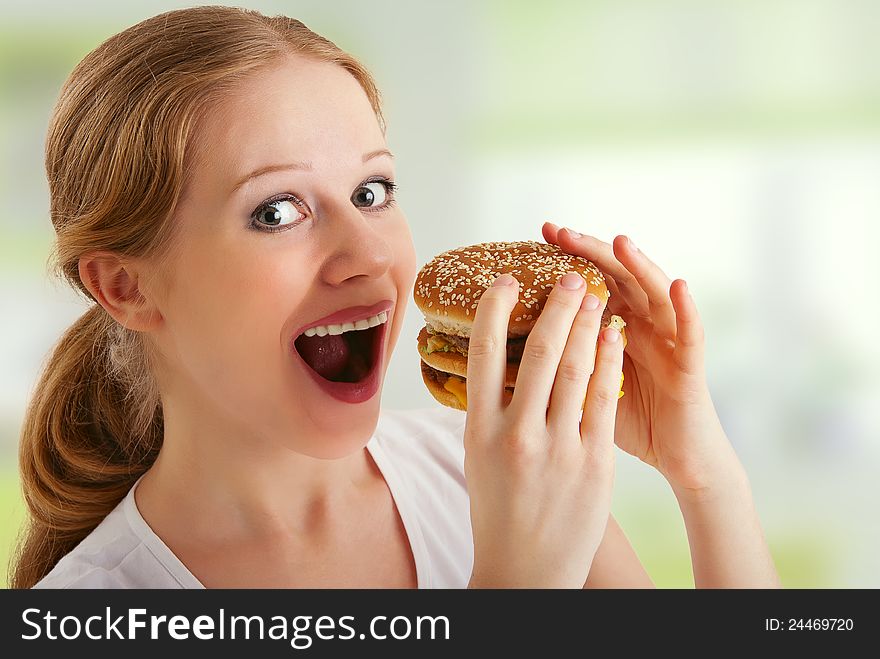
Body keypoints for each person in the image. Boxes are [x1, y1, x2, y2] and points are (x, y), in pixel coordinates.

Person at [11, 6, 778, 589]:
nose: (371, 254)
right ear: (126, 286)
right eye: (276, 210)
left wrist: (703, 471)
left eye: (372, 190)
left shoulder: (485, 469)